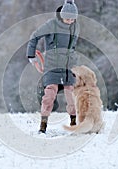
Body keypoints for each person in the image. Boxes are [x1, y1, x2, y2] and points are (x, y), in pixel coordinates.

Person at [26, 0, 80, 133]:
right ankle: (43, 125)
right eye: (67, 18)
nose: (69, 21)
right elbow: (34, 37)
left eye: (72, 19)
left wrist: (74, 65)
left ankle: (74, 123)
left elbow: (72, 47)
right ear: (62, 15)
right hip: (51, 67)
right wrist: (31, 56)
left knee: (72, 96)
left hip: (68, 68)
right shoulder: (51, 25)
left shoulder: (75, 27)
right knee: (49, 95)